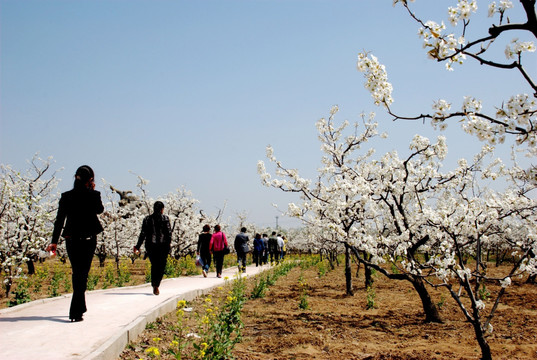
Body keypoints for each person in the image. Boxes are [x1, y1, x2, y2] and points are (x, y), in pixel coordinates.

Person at [47, 165, 104, 322]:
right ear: (91, 179)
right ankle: (75, 311)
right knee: (82, 274)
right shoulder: (94, 195)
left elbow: (59, 221)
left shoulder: (66, 196)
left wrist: (54, 242)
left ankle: (80, 306)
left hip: (71, 240)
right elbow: (100, 210)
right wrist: (92, 191)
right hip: (88, 239)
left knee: (77, 272)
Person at [133, 201, 171, 295]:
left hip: (151, 245)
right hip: (163, 245)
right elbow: (168, 233)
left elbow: (143, 234)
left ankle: (155, 285)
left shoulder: (147, 219)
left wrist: (138, 246)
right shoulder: (165, 218)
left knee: (154, 265)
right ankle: (156, 284)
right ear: (162, 210)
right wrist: (168, 245)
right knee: (161, 266)